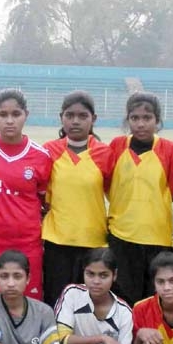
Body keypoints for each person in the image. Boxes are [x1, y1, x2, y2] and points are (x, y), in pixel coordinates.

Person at [0, 89, 51, 300]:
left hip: (28, 243)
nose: (9, 121)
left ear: (26, 114)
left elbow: (44, 200)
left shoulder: (41, 156)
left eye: (16, 114)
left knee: (29, 303)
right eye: (3, 115)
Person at [106, 93, 173, 306]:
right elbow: (108, 184)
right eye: (134, 118)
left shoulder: (170, 150)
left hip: (157, 237)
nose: (140, 124)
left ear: (157, 120)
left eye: (147, 118)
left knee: (154, 301)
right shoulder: (117, 146)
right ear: (127, 120)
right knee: (123, 300)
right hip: (122, 236)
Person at [41, 91, 111, 307]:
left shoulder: (105, 153)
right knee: (57, 299)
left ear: (94, 119)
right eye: (70, 115)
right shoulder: (48, 151)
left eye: (83, 116)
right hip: (57, 241)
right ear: (61, 117)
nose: (76, 121)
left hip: (93, 241)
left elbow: (115, 193)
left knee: (89, 303)